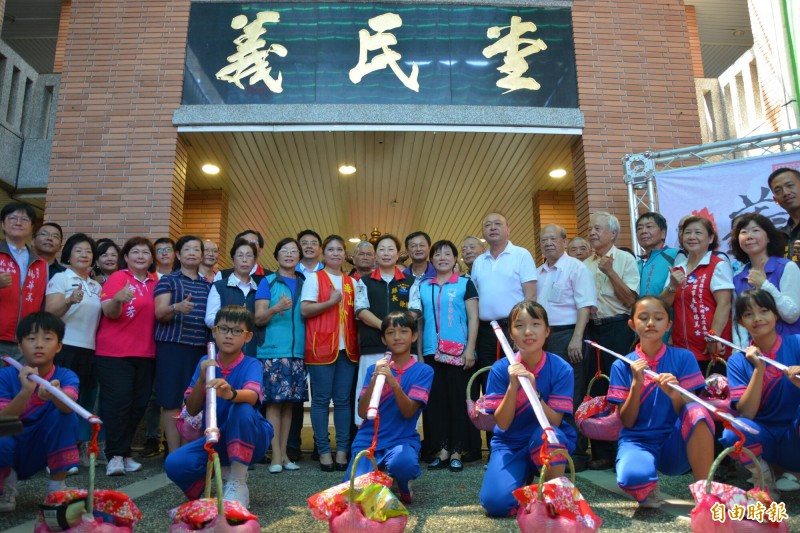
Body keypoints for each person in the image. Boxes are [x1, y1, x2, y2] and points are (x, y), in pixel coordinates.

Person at [608, 296, 714, 508]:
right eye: (643, 318)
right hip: (638, 441)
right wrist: (636, 384)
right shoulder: (622, 365)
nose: (650, 323)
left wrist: (675, 394)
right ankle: (647, 482)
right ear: (632, 324)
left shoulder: (684, 358)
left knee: (697, 410)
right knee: (633, 478)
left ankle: (705, 493)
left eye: (658, 318)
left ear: (668, 325)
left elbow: (689, 412)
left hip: (675, 441)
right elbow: (627, 422)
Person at [165, 306, 273, 508]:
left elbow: (251, 396)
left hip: (252, 436)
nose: (228, 335)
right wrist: (201, 381)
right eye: (223, 329)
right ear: (214, 332)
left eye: (236, 331)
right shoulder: (206, 361)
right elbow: (193, 408)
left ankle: (238, 480)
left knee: (242, 408)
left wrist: (230, 393)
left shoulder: (251, 364)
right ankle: (223, 474)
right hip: (215, 438)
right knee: (174, 464)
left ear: (247, 337)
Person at [479, 301, 576, 517]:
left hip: (545, 439)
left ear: (547, 331)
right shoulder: (500, 369)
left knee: (552, 439)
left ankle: (552, 488)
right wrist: (514, 386)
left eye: (536, 324)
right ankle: (525, 478)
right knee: (495, 504)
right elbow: (502, 424)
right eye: (519, 326)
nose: (528, 331)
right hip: (510, 443)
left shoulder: (561, 368)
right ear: (510, 333)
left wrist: (534, 391)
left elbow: (555, 422)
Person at [346, 310, 433, 504]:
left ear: (414, 335)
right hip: (368, 440)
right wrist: (376, 378)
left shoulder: (423, 370)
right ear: (384, 339)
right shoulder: (373, 369)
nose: (397, 337)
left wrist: (393, 382)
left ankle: (403, 482)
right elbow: (362, 413)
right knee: (357, 496)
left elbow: (409, 411)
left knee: (403, 463)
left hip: (401, 439)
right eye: (391, 333)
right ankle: (377, 480)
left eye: (403, 331)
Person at [470, 212, 537, 461]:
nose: (493, 228)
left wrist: (523, 328)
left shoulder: (521, 255)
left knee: (519, 382)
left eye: (498, 224)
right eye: (487, 225)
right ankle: (495, 445)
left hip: (514, 329)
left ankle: (521, 442)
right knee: (491, 385)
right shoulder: (479, 261)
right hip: (487, 330)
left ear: (509, 228)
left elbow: (530, 295)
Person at [720, 289, 800, 494]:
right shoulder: (737, 361)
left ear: (775, 314)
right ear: (740, 322)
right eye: (748, 314)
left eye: (764, 311)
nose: (757, 318)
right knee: (733, 431)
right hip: (765, 438)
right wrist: (758, 369)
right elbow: (747, 414)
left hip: (794, 435)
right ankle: (764, 477)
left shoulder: (797, 344)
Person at [408, 240, 478, 472]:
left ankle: (457, 450)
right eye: (437, 254)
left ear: (455, 259)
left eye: (447, 254)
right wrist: (418, 353)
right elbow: (419, 320)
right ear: (432, 259)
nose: (442, 257)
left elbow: (473, 319)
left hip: (459, 353)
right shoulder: (423, 285)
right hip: (430, 352)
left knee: (458, 402)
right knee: (436, 404)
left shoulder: (465, 284)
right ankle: (442, 450)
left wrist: (470, 349)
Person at [0, 312, 80, 512]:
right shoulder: (5, 375)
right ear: (19, 345)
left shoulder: (66, 375)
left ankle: (56, 489)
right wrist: (26, 391)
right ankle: (6, 485)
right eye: (31, 338)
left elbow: (69, 405)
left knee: (66, 415)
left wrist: (55, 394)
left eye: (47, 338)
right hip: (10, 446)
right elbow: (2, 420)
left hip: (41, 447)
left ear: (59, 346)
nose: (39, 345)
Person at [95, 237, 157, 476]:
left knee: (139, 404)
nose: (140, 256)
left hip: (146, 353)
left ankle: (125, 451)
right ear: (127, 257)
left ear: (151, 258)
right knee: (117, 405)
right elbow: (108, 312)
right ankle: (115, 455)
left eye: (145, 253)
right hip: (114, 353)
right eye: (135, 252)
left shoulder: (156, 282)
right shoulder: (118, 278)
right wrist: (118, 300)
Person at [537, 224, 596, 471]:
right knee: (549, 392)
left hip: (569, 335)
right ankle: (551, 448)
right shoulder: (538, 271)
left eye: (553, 238)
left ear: (564, 241)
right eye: (544, 240)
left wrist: (577, 337)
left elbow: (585, 306)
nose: (548, 243)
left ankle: (577, 453)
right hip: (545, 337)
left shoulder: (576, 268)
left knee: (572, 394)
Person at [583, 211, 639, 470]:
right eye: (590, 229)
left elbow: (631, 301)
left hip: (618, 328)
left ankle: (624, 449)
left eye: (598, 229)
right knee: (596, 388)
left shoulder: (625, 259)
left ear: (613, 234)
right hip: (592, 331)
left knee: (619, 388)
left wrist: (611, 272)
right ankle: (601, 451)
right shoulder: (585, 265)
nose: (592, 233)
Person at [300, 235, 359, 472]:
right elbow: (305, 310)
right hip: (321, 346)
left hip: (348, 350)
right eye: (331, 250)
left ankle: (342, 450)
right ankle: (323, 450)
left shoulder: (351, 282)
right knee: (322, 401)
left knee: (344, 402)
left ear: (345, 254)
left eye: (339, 250)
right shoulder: (314, 279)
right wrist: (331, 302)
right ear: (323, 254)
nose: (335, 253)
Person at [45, 233, 104, 467]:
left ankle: (77, 451)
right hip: (65, 348)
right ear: (69, 254)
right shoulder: (61, 278)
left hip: (90, 351)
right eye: (78, 250)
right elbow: (50, 313)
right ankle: (56, 455)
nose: (84, 255)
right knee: (62, 402)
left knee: (85, 404)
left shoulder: (96, 286)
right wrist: (69, 300)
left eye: (88, 251)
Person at [154, 235, 211, 455]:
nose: (192, 253)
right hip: (172, 347)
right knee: (171, 401)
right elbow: (159, 313)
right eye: (187, 249)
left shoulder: (208, 285)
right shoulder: (168, 280)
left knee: (193, 403)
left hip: (198, 349)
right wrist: (176, 307)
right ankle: (173, 453)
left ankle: (187, 453)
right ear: (178, 254)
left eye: (197, 249)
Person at [255, 237, 306, 473]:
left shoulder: (307, 282)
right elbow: (258, 318)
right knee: (274, 404)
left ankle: (284, 454)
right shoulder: (267, 282)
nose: (289, 254)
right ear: (276, 256)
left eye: (294, 251)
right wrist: (276, 308)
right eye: (284, 251)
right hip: (274, 352)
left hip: (298, 352)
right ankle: (275, 454)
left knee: (289, 406)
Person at [354, 234, 415, 425]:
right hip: (372, 347)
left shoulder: (410, 281)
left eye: (390, 249)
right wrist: (386, 329)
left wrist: (395, 333)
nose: (386, 253)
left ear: (398, 255)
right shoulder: (364, 281)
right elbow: (361, 310)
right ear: (375, 255)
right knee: (369, 393)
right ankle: (366, 438)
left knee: (401, 393)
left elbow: (415, 310)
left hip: (403, 350)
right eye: (381, 249)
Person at [661, 215, 733, 369]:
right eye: (687, 233)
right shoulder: (677, 268)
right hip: (682, 350)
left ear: (711, 238)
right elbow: (663, 305)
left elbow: (724, 304)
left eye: (698, 233)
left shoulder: (718, 265)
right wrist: (672, 285)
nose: (692, 237)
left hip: (712, 350)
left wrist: (713, 337)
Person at [730, 213, 800, 341]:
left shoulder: (787, 267)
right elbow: (739, 323)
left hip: (791, 348)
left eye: (755, 230)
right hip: (756, 353)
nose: (749, 236)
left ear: (769, 238)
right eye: (744, 232)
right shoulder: (738, 278)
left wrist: (764, 285)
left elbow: (792, 314)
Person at [0, 202, 47, 363]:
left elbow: (42, 303)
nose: (18, 222)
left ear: (32, 227)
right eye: (12, 218)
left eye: (24, 219)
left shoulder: (41, 264)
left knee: (19, 386)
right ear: (3, 224)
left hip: (24, 340)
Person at [205, 238, 260, 357]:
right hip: (223, 348)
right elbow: (209, 318)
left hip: (251, 348)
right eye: (240, 255)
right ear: (233, 260)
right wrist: (232, 327)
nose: (244, 260)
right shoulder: (219, 286)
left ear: (255, 261)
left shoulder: (260, 289)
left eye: (249, 256)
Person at [635, 212, 679, 297]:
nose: (643, 231)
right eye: (639, 228)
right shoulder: (636, 263)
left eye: (649, 227)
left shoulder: (675, 255)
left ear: (663, 233)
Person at [767, 167, 800, 260]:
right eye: (778, 190)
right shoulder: (781, 236)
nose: (785, 193)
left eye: (790, 185)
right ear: (775, 200)